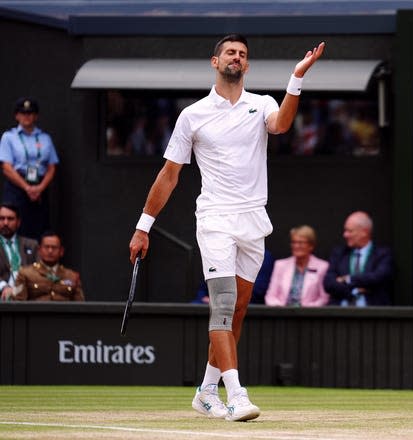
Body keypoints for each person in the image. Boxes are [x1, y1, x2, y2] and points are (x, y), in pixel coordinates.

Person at [128, 34, 324, 422]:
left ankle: (205, 392)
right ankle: (235, 394)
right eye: (230, 52)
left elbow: (282, 124)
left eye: (243, 54)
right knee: (221, 304)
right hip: (215, 219)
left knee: (237, 311)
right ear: (215, 62)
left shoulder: (263, 103)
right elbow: (169, 175)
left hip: (254, 221)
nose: (236, 57)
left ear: (246, 66)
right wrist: (143, 227)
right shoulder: (193, 115)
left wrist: (296, 77)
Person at [0, 97, 59, 239]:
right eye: (23, 113)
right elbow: (6, 167)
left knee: (39, 226)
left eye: (30, 113)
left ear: (36, 116)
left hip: (39, 187)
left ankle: (36, 260)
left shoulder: (45, 138)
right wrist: (26, 187)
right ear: (17, 116)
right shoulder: (9, 137)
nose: (26, 116)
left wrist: (39, 188)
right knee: (13, 223)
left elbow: (52, 167)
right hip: (17, 186)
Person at [323, 211, 394, 306]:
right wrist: (354, 291)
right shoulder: (339, 254)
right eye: (345, 231)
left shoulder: (382, 254)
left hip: (373, 314)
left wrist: (347, 279)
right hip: (339, 314)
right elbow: (328, 283)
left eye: (350, 231)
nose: (345, 235)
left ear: (364, 232)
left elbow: (377, 278)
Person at [265, 225, 330, 306]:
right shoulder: (280, 265)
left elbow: (324, 298)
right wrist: (280, 310)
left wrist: (306, 311)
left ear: (311, 245)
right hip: (281, 314)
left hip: (310, 315)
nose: (296, 246)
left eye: (301, 243)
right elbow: (270, 296)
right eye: (294, 242)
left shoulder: (322, 267)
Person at [12, 231, 84, 301]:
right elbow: (17, 302)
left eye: (54, 247)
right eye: (46, 247)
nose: (50, 251)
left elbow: (80, 307)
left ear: (61, 251)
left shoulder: (72, 276)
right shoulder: (25, 274)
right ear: (39, 250)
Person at [0, 203, 38, 301]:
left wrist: (20, 290)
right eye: (2, 218)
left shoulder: (31, 245)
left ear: (18, 222)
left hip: (28, 294)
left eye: (10, 219)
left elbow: (39, 271)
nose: (5, 223)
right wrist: (4, 286)